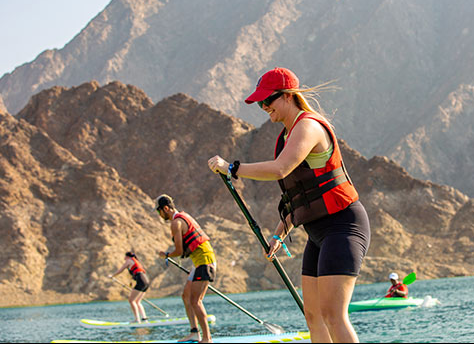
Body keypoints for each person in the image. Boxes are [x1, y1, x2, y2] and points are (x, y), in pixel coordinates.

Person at [208, 67, 371, 343]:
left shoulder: (308, 126)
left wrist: (232, 168)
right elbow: (300, 197)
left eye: (267, 101)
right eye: (260, 104)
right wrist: (277, 234)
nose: (263, 107)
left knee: (333, 314)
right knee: (313, 316)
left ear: (287, 96)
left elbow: (281, 169)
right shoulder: (286, 136)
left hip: (343, 226)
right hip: (317, 233)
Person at [155, 194, 216, 343]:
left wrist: (166, 255)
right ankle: (194, 333)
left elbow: (179, 251)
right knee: (186, 296)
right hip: (199, 263)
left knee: (196, 301)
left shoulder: (176, 223)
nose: (159, 215)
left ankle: (207, 339)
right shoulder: (183, 216)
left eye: (159, 212)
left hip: (205, 261)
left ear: (166, 209)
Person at [109, 252, 150, 323]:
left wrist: (112, 276)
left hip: (141, 280)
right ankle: (144, 319)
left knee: (131, 300)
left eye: (125, 257)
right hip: (146, 280)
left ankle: (137, 320)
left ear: (127, 256)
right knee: (137, 301)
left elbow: (121, 270)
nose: (124, 258)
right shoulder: (135, 261)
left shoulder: (129, 261)